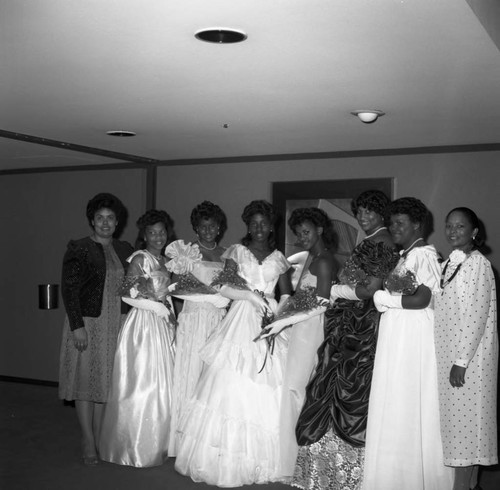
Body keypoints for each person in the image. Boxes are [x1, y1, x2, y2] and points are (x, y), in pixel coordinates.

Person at [174, 200, 292, 487]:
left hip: (269, 318)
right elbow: (223, 286)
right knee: (230, 380)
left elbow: (287, 294)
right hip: (240, 316)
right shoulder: (236, 252)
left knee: (270, 383)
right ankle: (222, 460)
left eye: (264, 223)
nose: (259, 228)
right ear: (247, 225)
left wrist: (280, 319)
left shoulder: (279, 257)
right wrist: (249, 297)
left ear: (271, 225)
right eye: (253, 223)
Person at [292, 190, 398, 490]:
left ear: (382, 213)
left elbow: (368, 290)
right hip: (351, 322)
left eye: (369, 212)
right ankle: (330, 473)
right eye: (360, 211)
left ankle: (348, 474)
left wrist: (336, 291)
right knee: (332, 381)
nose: (363, 217)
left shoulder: (384, 241)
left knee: (354, 387)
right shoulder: (373, 240)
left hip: (363, 325)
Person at [363, 197, 454, 490]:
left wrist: (383, 298)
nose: (394, 228)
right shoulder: (406, 255)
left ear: (418, 225)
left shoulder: (424, 255)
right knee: (396, 398)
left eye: (400, 223)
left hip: (413, 337)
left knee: (408, 397)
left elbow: (423, 299)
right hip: (399, 334)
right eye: (392, 223)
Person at [58, 192, 133, 465]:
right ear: (92, 220)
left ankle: (100, 436)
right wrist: (77, 327)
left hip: (115, 323)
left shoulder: (125, 249)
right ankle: (87, 439)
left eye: (110, 218)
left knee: (105, 383)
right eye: (99, 218)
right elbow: (70, 289)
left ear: (117, 222)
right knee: (84, 382)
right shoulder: (78, 247)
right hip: (88, 322)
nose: (105, 223)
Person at [99, 209, 176, 467]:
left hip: (164, 323)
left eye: (161, 232)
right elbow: (126, 294)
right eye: (152, 232)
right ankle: (135, 445)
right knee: (144, 381)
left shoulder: (167, 260)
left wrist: (169, 312)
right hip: (143, 325)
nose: (157, 236)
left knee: (164, 382)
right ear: (144, 235)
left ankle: (160, 442)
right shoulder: (140, 259)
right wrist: (155, 307)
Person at [435, 207, 498, 490]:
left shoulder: (479, 264)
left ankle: (464, 486)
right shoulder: (450, 261)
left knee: (467, 429)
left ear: (474, 231)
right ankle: (470, 486)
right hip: (449, 354)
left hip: (469, 360)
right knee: (456, 429)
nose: (452, 231)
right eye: (449, 226)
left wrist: (461, 360)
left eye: (460, 227)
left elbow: (477, 315)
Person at [277, 207, 338, 480]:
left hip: (310, 330)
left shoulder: (324, 261)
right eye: (298, 234)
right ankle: (290, 457)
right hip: (300, 327)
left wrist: (287, 318)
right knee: (292, 389)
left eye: (306, 232)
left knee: (296, 390)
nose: (302, 238)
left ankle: (294, 462)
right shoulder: (311, 258)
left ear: (320, 230)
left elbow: (323, 303)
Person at [168, 201, 229, 456]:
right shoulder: (187, 252)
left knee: (213, 378)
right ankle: (183, 442)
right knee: (191, 374)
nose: (208, 230)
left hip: (219, 318)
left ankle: (206, 440)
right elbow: (174, 288)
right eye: (203, 225)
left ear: (219, 228)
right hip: (194, 319)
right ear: (196, 227)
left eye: (213, 225)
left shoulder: (227, 254)